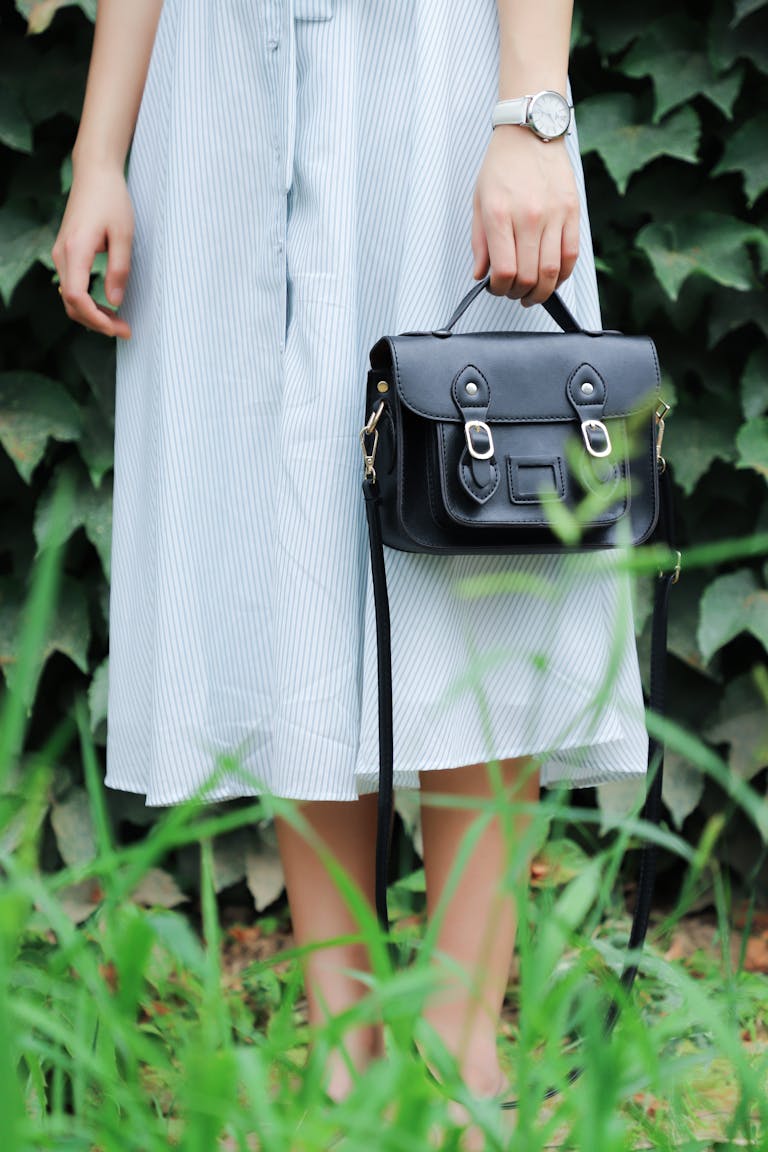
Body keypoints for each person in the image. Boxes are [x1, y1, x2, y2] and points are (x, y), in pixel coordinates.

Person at [52, 0, 648, 1130]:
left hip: (436, 72)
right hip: (222, 90)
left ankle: (460, 1043)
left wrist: (529, 110)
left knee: (478, 529)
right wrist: (98, 150)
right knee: (280, 539)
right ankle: (344, 1043)